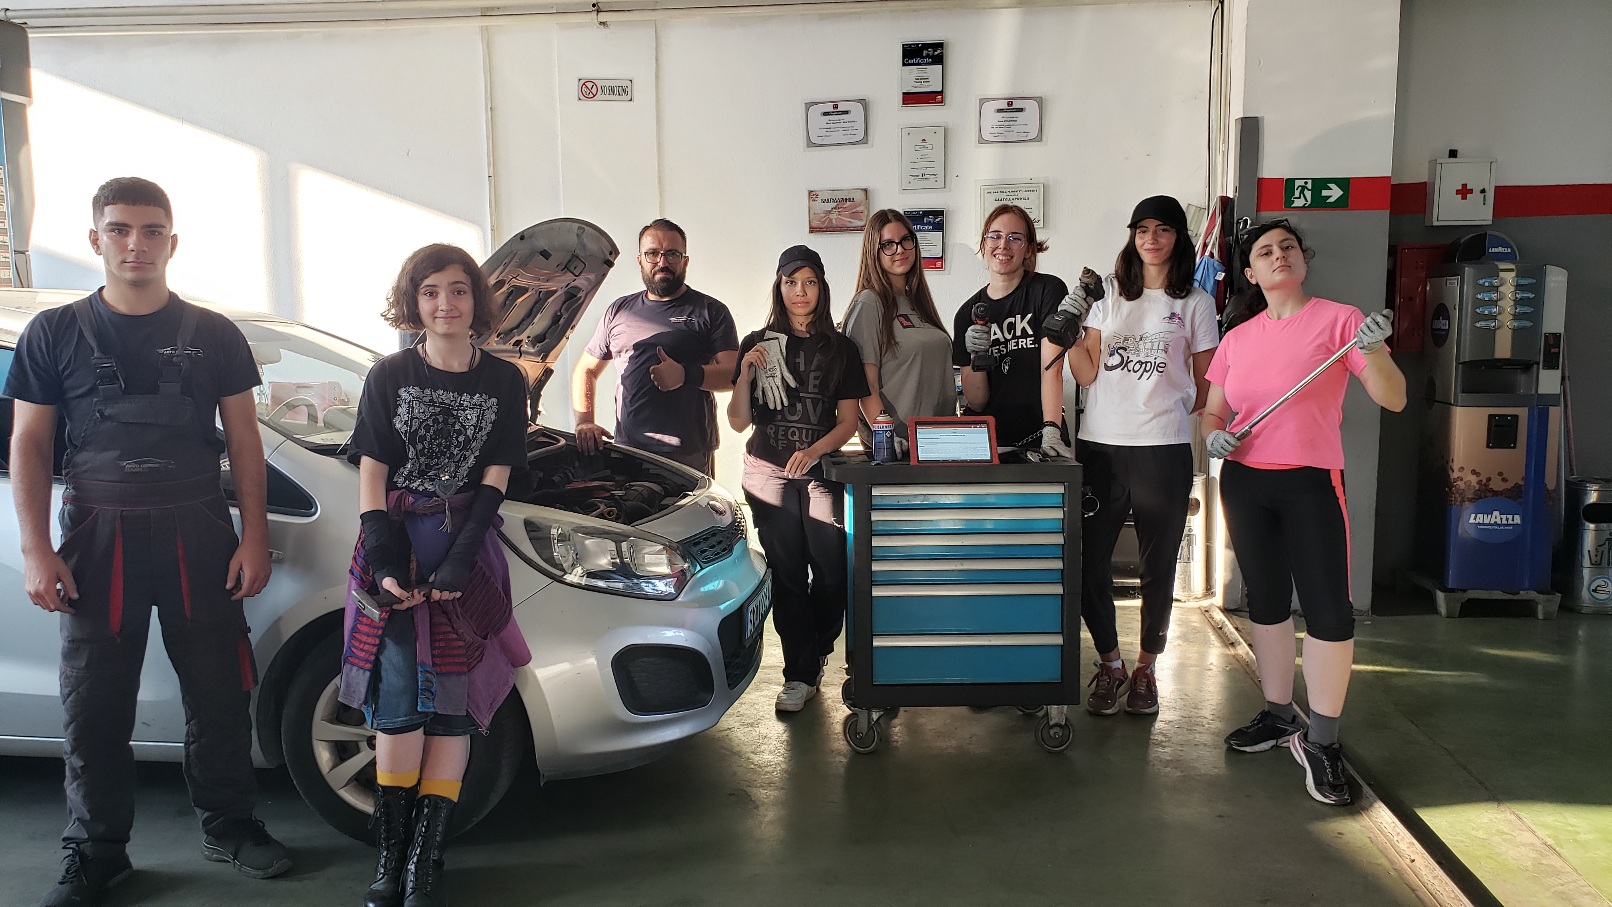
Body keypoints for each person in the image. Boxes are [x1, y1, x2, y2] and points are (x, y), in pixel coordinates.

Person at [8, 177, 289, 907]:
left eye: (152, 230)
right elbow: (29, 443)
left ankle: (230, 823)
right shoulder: (52, 334)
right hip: (97, 539)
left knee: (219, 691)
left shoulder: (215, 334)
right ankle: (97, 850)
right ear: (95, 238)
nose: (136, 243)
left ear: (172, 241)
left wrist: (255, 536)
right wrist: (36, 549)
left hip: (199, 532)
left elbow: (246, 441)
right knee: (94, 701)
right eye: (120, 228)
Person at [340, 244, 534, 906]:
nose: (444, 304)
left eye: (457, 290)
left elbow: (496, 476)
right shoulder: (389, 374)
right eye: (430, 292)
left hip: (466, 559)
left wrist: (462, 554)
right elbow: (371, 469)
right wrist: (383, 555)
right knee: (399, 706)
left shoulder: (505, 381)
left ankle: (426, 860)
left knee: (452, 708)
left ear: (476, 300)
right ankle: (390, 859)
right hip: (396, 553)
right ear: (413, 301)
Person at [1203, 219, 1403, 806]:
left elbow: (1392, 397)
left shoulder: (1342, 323)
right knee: (1265, 602)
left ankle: (1322, 740)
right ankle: (1278, 714)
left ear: (1303, 259)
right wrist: (1213, 436)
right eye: (1265, 252)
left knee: (1328, 611)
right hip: (1245, 483)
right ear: (1250, 272)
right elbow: (1214, 411)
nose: (1278, 256)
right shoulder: (1237, 339)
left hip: (1311, 484)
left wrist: (1372, 348)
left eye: (1287, 247)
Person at [1064, 195, 1220, 716]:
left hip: (1163, 448)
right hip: (1101, 447)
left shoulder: (1195, 302)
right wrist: (1073, 331)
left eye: (1163, 229)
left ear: (1179, 238)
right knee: (1090, 564)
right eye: (1143, 229)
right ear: (1132, 236)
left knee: (1159, 567)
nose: (1152, 239)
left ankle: (1146, 668)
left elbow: (1206, 384)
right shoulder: (1106, 294)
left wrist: (1163, 407)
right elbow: (1086, 373)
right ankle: (1110, 664)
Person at [728, 245, 869, 713]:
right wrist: (744, 375)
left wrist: (813, 451)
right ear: (780, 287)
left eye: (809, 282)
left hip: (819, 471)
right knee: (787, 575)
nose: (800, 291)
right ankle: (799, 674)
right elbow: (738, 422)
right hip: (766, 474)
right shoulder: (758, 343)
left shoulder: (841, 349)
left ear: (821, 288)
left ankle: (819, 649)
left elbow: (848, 422)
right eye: (791, 282)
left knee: (831, 571)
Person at [572, 218, 738, 475]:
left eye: (672, 254)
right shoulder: (619, 311)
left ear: (685, 261)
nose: (662, 262)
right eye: (652, 254)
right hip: (628, 450)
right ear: (640, 260)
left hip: (687, 454)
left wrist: (685, 375)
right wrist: (584, 422)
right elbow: (586, 369)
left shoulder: (710, 311)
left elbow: (733, 374)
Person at [952, 204, 1073, 459]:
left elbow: (1052, 368)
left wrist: (1051, 429)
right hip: (988, 443)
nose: (1003, 245)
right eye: (994, 236)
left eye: (1014, 238)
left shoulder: (1047, 291)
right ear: (984, 244)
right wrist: (975, 356)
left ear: (1028, 248)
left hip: (1040, 437)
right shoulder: (966, 314)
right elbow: (977, 401)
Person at [840, 209, 954, 450]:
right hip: (900, 448)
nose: (900, 249)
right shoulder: (869, 303)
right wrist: (888, 438)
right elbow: (865, 386)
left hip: (941, 442)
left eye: (905, 240)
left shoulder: (919, 302)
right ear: (874, 251)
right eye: (888, 245)